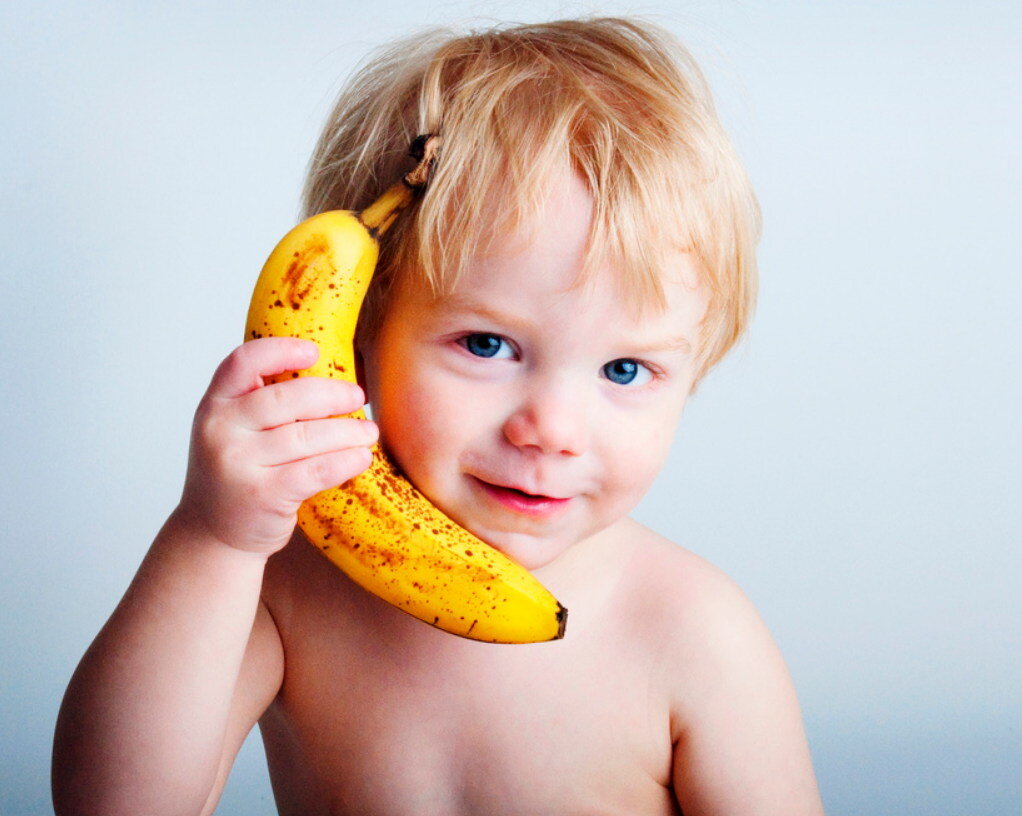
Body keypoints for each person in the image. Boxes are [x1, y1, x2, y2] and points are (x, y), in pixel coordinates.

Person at [53, 17, 824, 815]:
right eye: (487, 345)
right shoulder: (289, 591)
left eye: (624, 369)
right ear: (353, 334)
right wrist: (212, 539)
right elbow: (114, 803)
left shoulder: (693, 632)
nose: (551, 428)